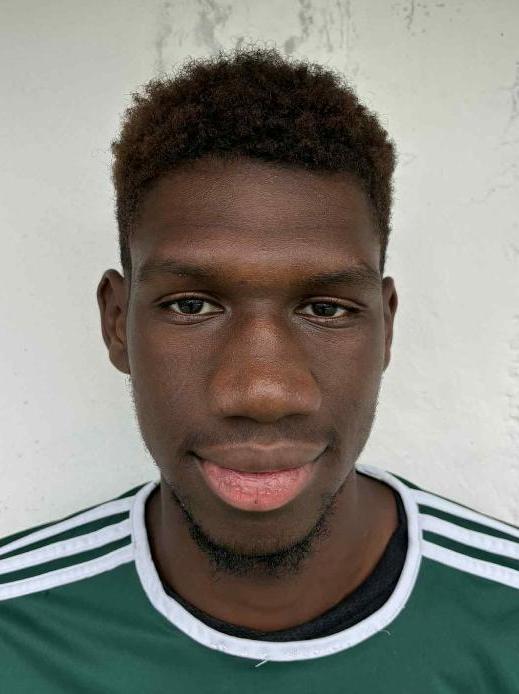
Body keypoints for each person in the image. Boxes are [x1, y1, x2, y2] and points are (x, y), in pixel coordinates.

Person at [1, 46, 517, 693]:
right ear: (116, 323)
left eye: (325, 308)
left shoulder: (504, 620)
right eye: (191, 305)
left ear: (385, 327)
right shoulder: (15, 632)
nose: (263, 391)